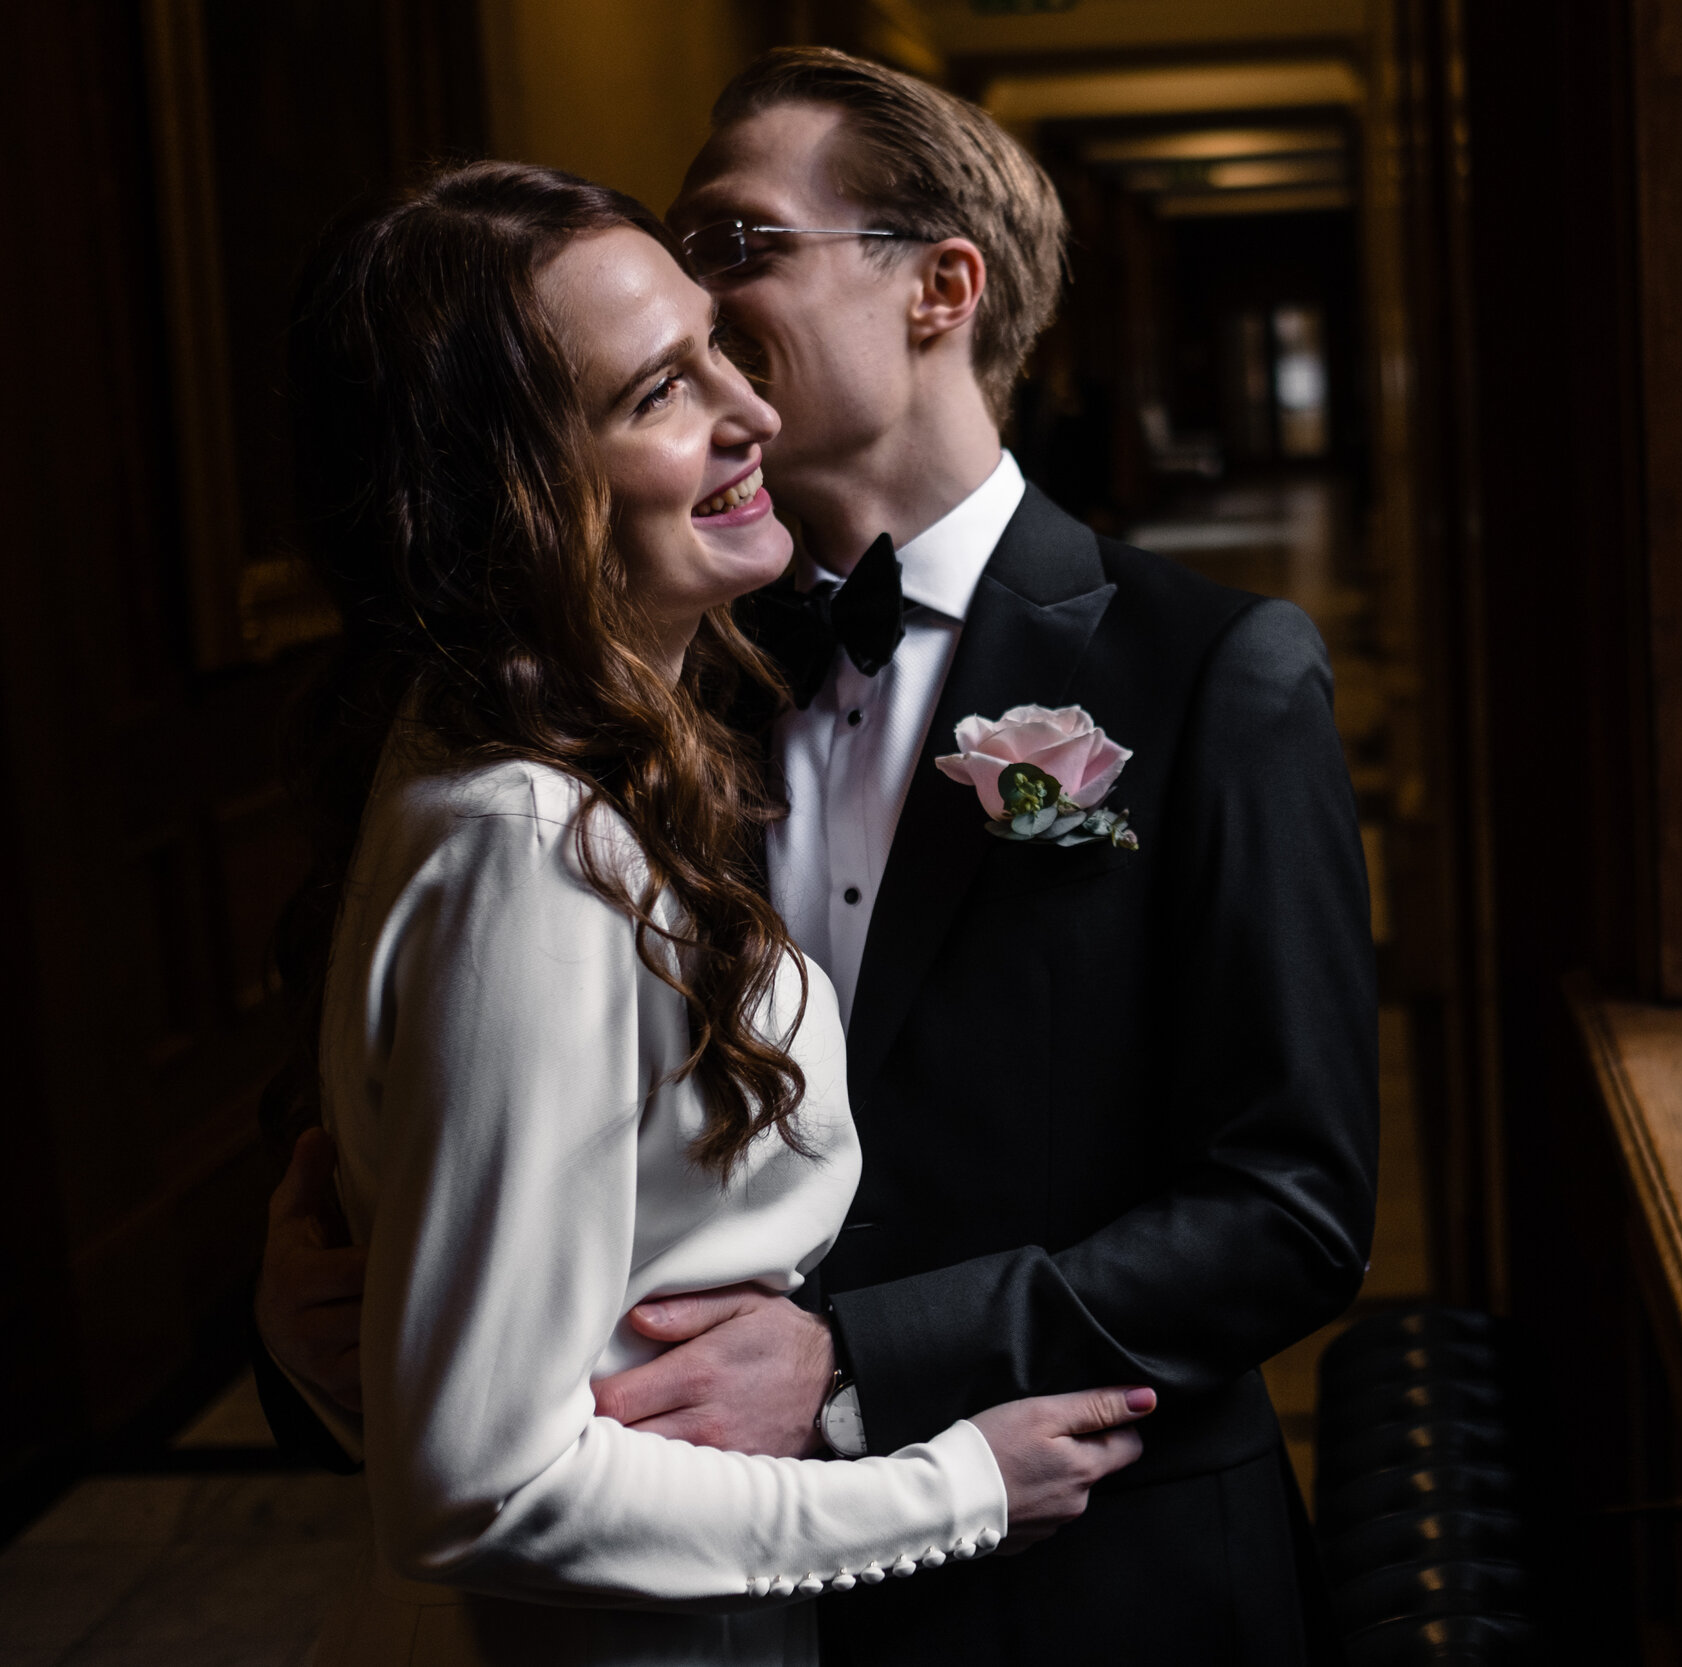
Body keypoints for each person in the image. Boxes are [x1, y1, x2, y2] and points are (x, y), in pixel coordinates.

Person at [262, 46, 1381, 1665]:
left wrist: (855, 1364)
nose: (709, 321)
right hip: (702, 1578)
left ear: (940, 287)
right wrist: (336, 1309)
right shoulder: (631, 668)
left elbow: (1290, 1208)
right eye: (672, 322)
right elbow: (462, 1098)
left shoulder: (1216, 672)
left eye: (735, 247)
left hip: (1092, 1573)